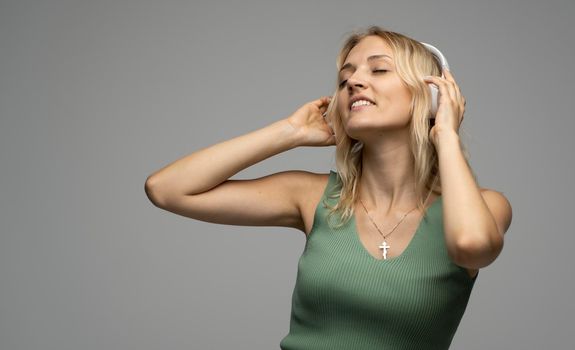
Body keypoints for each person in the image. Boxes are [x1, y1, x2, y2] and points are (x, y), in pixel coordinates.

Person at [144, 25, 512, 350]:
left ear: (431, 95)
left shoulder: (485, 207)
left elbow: (471, 247)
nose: (353, 81)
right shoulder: (313, 197)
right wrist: (289, 132)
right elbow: (167, 189)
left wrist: (445, 133)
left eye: (379, 69)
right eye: (344, 78)